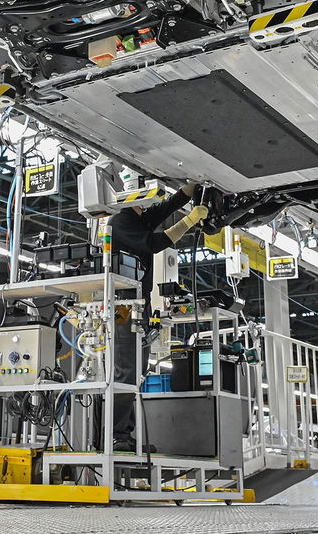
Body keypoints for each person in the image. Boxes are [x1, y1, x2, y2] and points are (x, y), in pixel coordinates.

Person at [106, 182, 208, 450]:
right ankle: (115, 435)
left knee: (136, 370)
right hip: (122, 306)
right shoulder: (120, 221)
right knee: (126, 371)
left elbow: (163, 210)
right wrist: (189, 221)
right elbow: (154, 244)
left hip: (138, 302)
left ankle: (124, 434)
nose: (151, 204)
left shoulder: (136, 219)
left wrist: (185, 193)